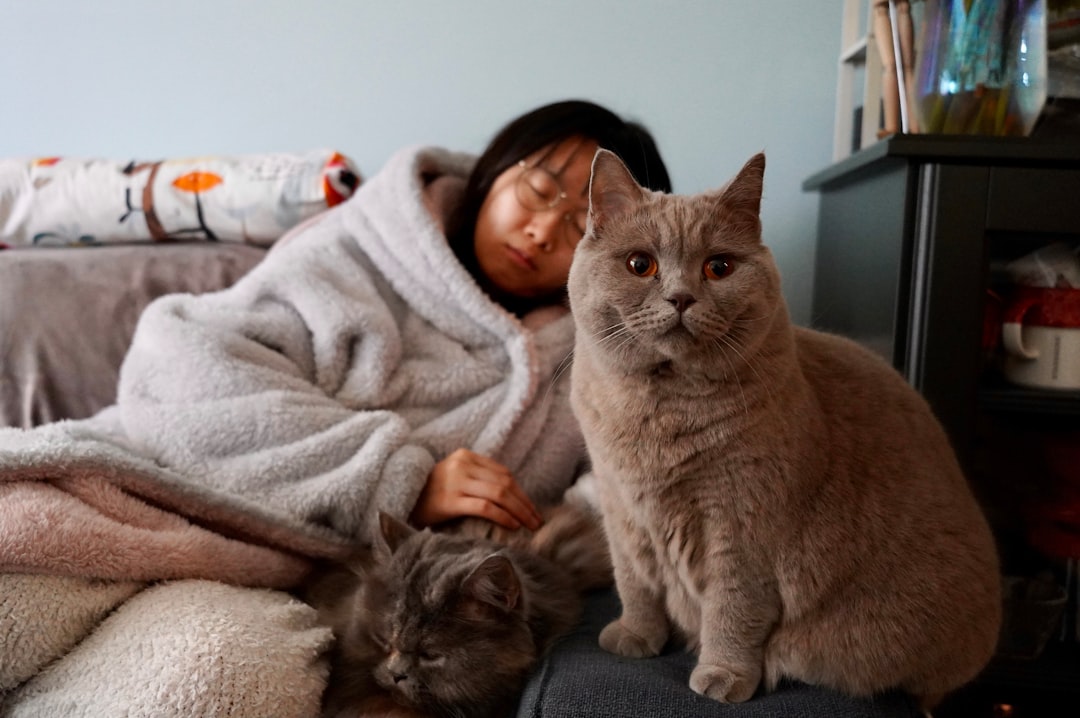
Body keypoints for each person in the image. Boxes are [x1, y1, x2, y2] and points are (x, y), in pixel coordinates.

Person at [0, 99, 671, 717]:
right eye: (539, 190)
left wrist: (553, 534)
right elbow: (182, 364)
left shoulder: (601, 354)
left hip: (291, 591)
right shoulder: (362, 248)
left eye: (585, 225)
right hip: (143, 498)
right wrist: (398, 475)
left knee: (205, 680)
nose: (545, 229)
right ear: (498, 167)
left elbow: (638, 479)